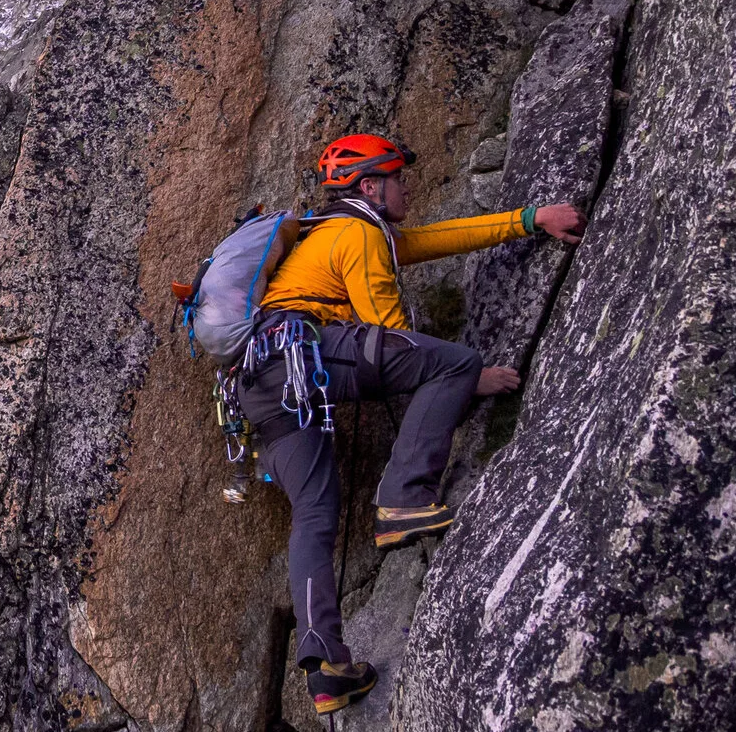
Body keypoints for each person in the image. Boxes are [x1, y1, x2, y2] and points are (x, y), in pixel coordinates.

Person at [245, 133, 586, 715]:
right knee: (452, 359)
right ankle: (403, 497)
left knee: (315, 513)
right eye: (399, 177)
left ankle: (326, 667)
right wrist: (466, 373)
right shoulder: (357, 234)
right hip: (305, 352)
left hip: (256, 382)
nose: (408, 187)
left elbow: (435, 240)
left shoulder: (335, 234)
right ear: (371, 186)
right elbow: (395, 336)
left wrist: (528, 219)